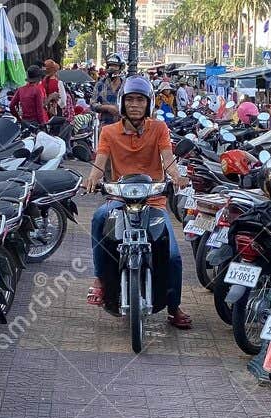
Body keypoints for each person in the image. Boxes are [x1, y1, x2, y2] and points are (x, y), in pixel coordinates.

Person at [83, 75, 192, 328]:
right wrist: (91, 179)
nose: (134, 105)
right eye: (130, 99)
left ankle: (173, 307)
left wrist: (177, 177)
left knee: (174, 256)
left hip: (153, 202)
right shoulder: (109, 132)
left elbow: (168, 158)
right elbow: (100, 162)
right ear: (122, 103)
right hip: (119, 200)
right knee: (99, 216)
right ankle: (100, 279)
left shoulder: (159, 129)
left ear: (148, 104)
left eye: (140, 100)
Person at [93, 54, 126, 123]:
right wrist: (107, 108)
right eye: (110, 65)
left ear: (120, 68)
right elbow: (93, 104)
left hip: (124, 125)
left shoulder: (126, 84)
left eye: (115, 66)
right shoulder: (100, 84)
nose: (112, 68)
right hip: (105, 125)